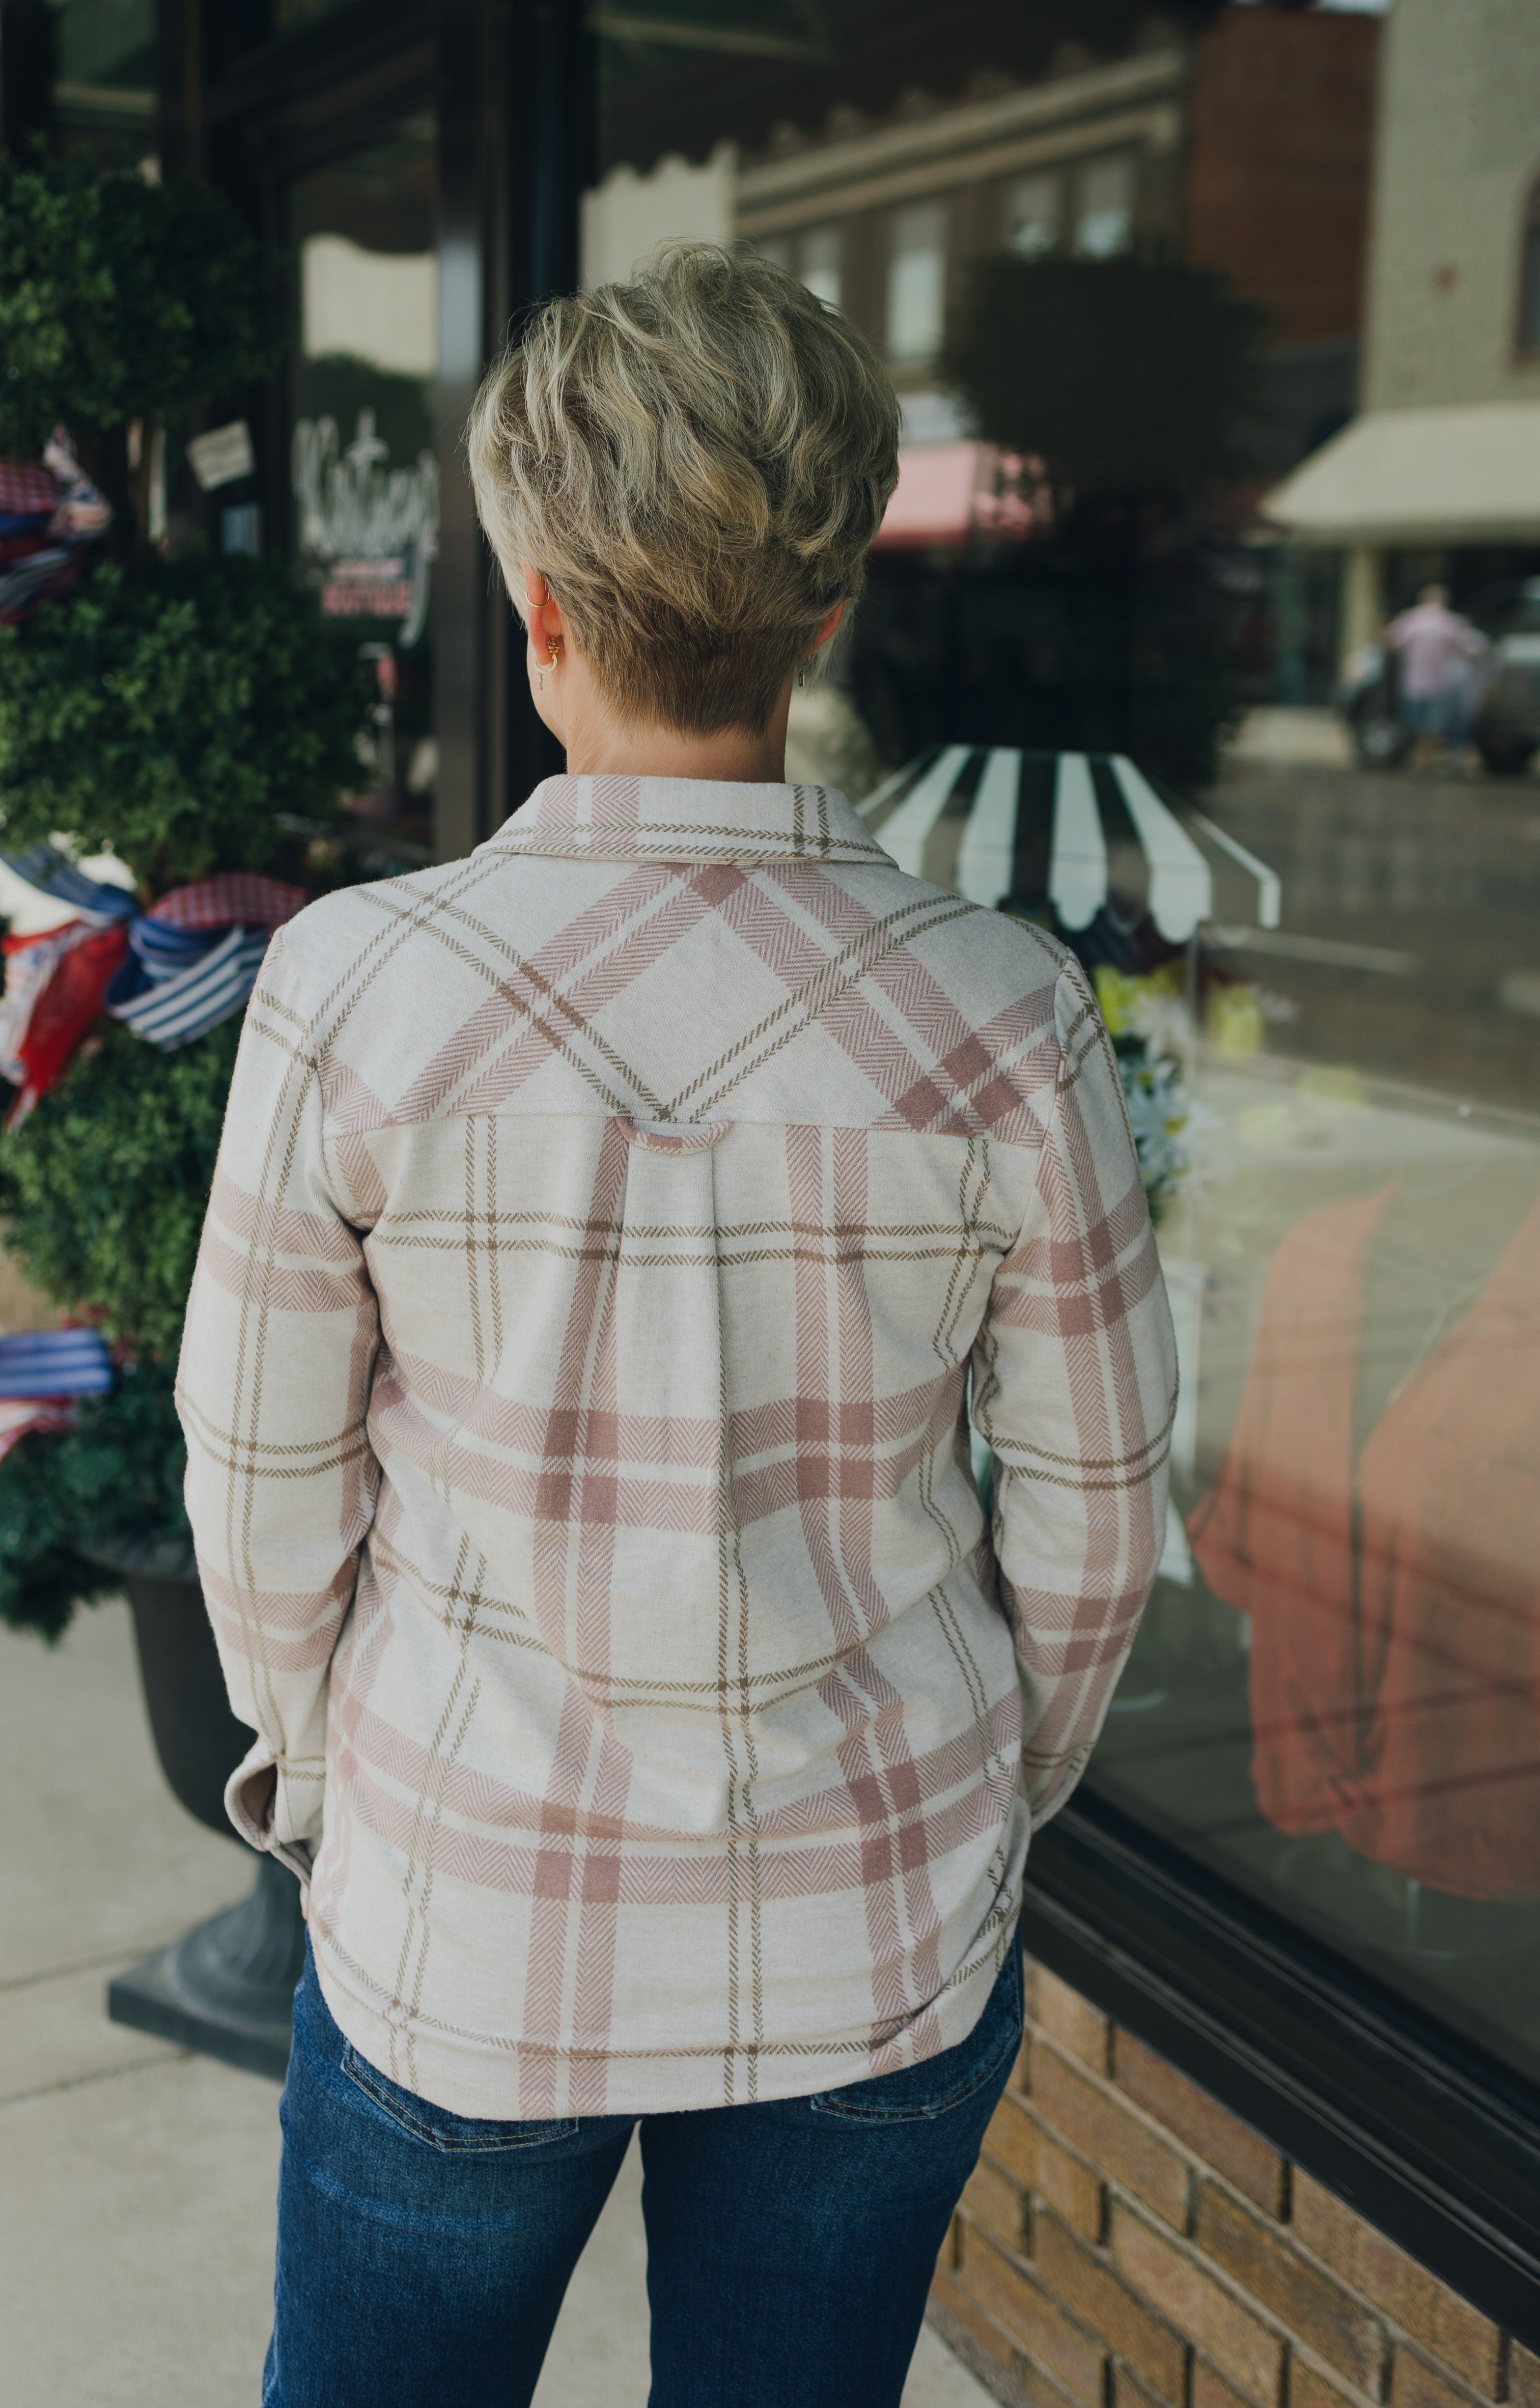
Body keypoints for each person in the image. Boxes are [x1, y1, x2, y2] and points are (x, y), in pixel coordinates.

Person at [179, 242, 1174, 2408]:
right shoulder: (1001, 1010)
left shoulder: (359, 983)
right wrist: (973, 1796)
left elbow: (259, 1497)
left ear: (533, 604)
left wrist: (337, 1784)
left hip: (464, 1913)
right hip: (873, 1924)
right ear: (823, 614)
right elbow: (1094, 1529)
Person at [1385, 582, 1488, 772]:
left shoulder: (1411, 619)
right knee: (1432, 727)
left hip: (1413, 683)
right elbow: (1471, 648)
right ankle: (1426, 761)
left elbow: (1392, 641)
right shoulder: (1449, 622)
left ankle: (1417, 761)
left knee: (1413, 725)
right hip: (1439, 684)